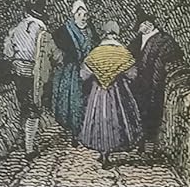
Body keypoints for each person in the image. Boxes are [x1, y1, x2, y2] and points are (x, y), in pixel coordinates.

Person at [79, 20, 142, 165]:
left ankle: (103, 153)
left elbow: (83, 74)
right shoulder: (123, 53)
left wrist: (98, 76)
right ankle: (111, 150)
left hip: (98, 93)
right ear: (117, 34)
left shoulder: (95, 53)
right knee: (117, 119)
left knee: (99, 119)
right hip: (118, 92)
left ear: (104, 34)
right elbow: (133, 74)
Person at [2, 8, 59, 158]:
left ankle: (25, 138)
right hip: (34, 74)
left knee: (24, 107)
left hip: (19, 73)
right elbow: (53, 53)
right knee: (34, 109)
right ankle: (29, 148)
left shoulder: (16, 28)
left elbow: (7, 51)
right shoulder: (42, 30)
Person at [130, 11, 184, 153]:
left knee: (152, 115)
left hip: (154, 85)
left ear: (149, 24)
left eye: (141, 26)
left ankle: (149, 146)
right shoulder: (138, 40)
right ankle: (141, 143)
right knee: (140, 114)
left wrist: (155, 85)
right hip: (139, 86)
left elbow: (163, 66)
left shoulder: (164, 40)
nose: (139, 29)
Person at [51, 0, 94, 138]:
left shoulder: (90, 30)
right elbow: (56, 48)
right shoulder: (63, 30)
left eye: (85, 15)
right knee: (72, 100)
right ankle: (74, 130)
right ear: (74, 15)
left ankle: (85, 129)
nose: (83, 18)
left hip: (88, 70)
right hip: (70, 72)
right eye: (79, 14)